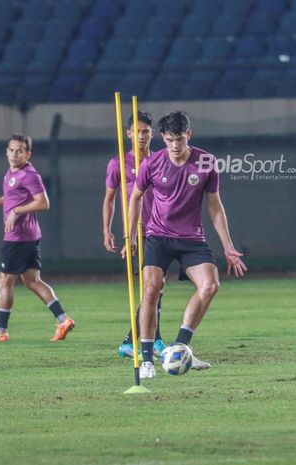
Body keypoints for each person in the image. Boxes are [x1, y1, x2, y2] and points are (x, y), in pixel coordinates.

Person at [127, 111, 247, 378]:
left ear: (189, 135)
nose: (175, 146)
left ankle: (180, 347)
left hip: (191, 238)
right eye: (169, 140)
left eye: (180, 139)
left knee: (211, 285)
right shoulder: (152, 163)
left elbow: (214, 205)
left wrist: (227, 245)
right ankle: (146, 359)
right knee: (151, 290)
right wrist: (131, 235)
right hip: (158, 236)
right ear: (163, 138)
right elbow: (135, 197)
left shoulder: (206, 162)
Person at [0, 133, 75, 342]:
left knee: (4, 281)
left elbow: (43, 202)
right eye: (11, 150)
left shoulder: (29, 175)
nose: (14, 154)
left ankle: (0, 332)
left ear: (28, 154)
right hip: (29, 236)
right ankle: (63, 320)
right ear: (6, 151)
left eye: (19, 151)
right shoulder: (11, 172)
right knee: (32, 281)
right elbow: (12, 197)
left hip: (18, 237)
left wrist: (17, 212)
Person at [102, 111, 166, 359]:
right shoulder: (118, 163)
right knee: (151, 288)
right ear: (128, 134)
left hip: (162, 230)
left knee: (156, 288)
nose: (141, 136)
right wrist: (107, 229)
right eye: (136, 132)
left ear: (152, 134)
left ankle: (147, 340)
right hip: (138, 233)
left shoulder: (161, 160)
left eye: (146, 132)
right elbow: (109, 199)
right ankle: (138, 341)